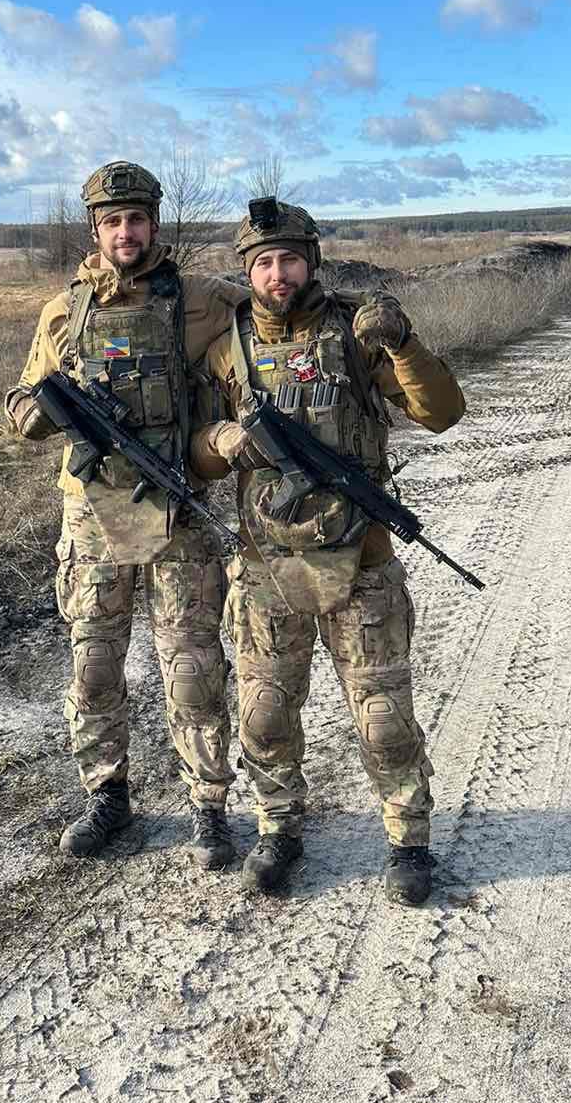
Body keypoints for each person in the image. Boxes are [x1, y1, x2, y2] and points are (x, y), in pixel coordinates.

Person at [190, 198, 465, 903]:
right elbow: (197, 449)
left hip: (362, 562)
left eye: (289, 259)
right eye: (262, 263)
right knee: (264, 713)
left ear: (310, 260)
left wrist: (402, 344)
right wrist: (221, 442)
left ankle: (408, 840)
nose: (277, 274)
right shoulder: (229, 347)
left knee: (383, 717)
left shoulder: (356, 331)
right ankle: (278, 828)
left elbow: (441, 413)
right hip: (264, 567)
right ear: (247, 272)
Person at [5, 162, 249, 868]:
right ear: (95, 229)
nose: (125, 232)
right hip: (91, 518)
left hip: (178, 511)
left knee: (194, 669)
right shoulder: (65, 310)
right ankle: (107, 796)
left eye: (136, 218)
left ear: (154, 223)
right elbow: (22, 399)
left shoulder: (205, 300)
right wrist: (44, 415)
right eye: (112, 221)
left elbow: (276, 320)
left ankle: (208, 806)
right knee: (93, 666)